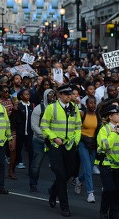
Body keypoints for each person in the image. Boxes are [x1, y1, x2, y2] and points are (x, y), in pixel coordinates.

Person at [41, 84, 82, 217]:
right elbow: (44, 126)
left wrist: (75, 141)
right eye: (66, 94)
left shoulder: (74, 108)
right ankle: (64, 207)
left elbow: (78, 127)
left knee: (69, 173)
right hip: (55, 147)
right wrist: (54, 138)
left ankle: (53, 191)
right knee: (60, 174)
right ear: (60, 95)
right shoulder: (51, 108)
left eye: (70, 94)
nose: (69, 96)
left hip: (70, 146)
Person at [97, 104, 119, 219]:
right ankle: (103, 211)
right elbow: (106, 146)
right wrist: (113, 133)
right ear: (110, 117)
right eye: (117, 114)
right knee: (109, 189)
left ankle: (114, 215)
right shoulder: (104, 130)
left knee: (117, 192)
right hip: (106, 165)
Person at [29, 88, 56, 192]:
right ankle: (33, 184)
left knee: (55, 165)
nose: (52, 97)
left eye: (53, 95)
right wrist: (45, 135)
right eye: (50, 95)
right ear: (45, 96)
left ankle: (56, 187)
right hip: (39, 141)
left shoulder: (55, 109)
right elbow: (34, 126)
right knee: (36, 164)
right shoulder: (38, 109)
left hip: (52, 141)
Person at [74, 96, 100, 203]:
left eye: (94, 103)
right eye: (90, 103)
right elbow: (74, 123)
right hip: (83, 143)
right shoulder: (82, 114)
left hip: (93, 144)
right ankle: (90, 193)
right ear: (86, 104)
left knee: (89, 167)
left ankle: (79, 180)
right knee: (88, 168)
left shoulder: (98, 116)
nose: (92, 105)